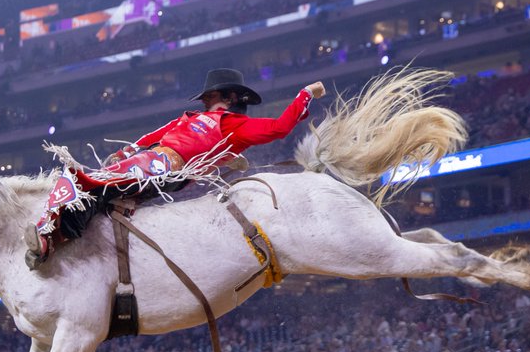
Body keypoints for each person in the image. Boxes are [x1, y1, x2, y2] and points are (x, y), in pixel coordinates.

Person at [24, 68, 327, 268]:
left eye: (211, 96)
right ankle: (61, 238)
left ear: (230, 98)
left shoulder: (235, 125)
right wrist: (125, 151)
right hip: (157, 161)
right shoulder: (188, 118)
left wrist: (305, 94)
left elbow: (278, 127)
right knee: (101, 192)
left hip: (167, 166)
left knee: (86, 179)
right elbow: (154, 136)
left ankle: (49, 233)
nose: (205, 101)